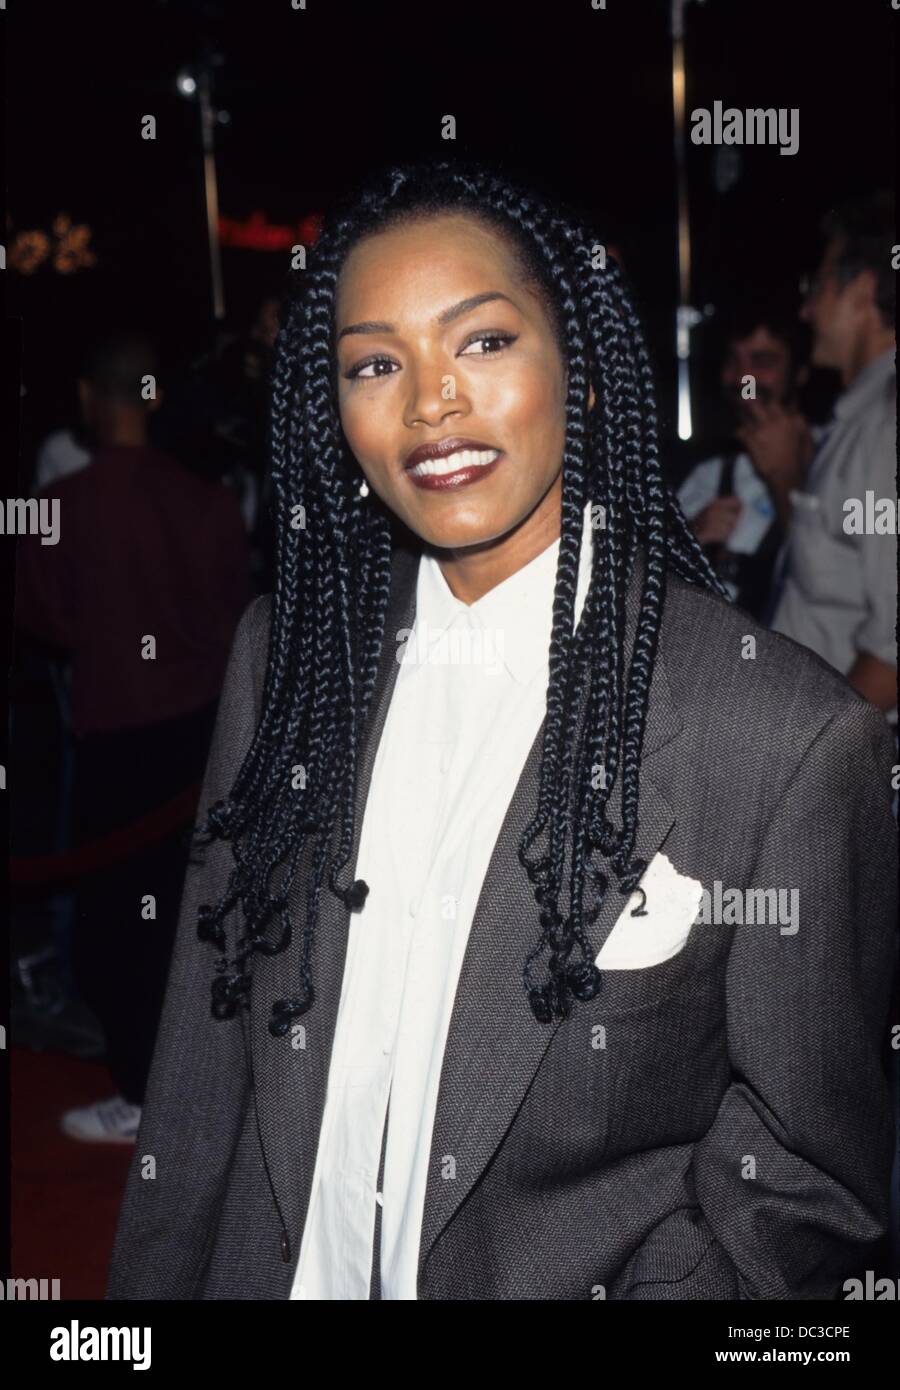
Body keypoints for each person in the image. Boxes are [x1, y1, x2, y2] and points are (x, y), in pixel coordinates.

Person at [106, 162, 896, 1300]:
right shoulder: (284, 657)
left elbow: (809, 1175)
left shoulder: (784, 737)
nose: (432, 402)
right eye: (376, 363)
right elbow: (199, 1056)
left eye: (481, 342)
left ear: (576, 367)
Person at [15, 329, 253, 1143]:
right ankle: (214, 1091)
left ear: (90, 401)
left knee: (122, 935)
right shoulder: (209, 498)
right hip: (207, 735)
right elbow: (238, 608)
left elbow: (43, 614)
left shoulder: (65, 505)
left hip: (121, 737)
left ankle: (146, 1097)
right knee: (204, 916)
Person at [768, 193, 897, 722]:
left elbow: (892, 655)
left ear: (863, 289)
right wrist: (786, 479)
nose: (805, 310)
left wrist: (801, 761)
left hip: (858, 777)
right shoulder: (858, 418)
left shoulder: (886, 424)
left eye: (816, 288)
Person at [676, 301, 815, 619]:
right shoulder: (707, 473)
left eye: (762, 361)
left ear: (801, 372)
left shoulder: (834, 460)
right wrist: (691, 539)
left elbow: (833, 577)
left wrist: (786, 479)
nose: (743, 377)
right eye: (733, 360)